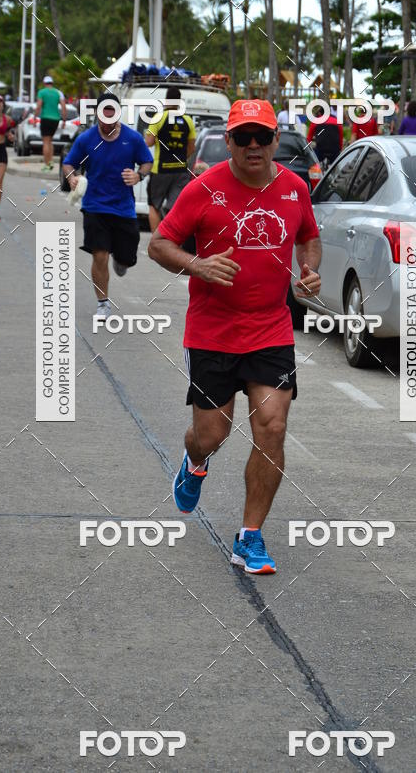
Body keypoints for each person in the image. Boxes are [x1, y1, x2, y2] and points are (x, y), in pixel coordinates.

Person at [148, 99, 322, 575]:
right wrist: (196, 263)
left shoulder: (293, 188)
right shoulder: (203, 188)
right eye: (242, 137)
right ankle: (194, 461)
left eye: (261, 137)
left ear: (274, 141)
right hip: (212, 331)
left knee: (273, 426)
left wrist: (310, 269)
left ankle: (250, 536)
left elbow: (309, 236)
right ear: (228, 140)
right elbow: (158, 244)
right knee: (212, 433)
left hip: (270, 328)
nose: (252, 146)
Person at [63, 92, 153, 322]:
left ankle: (121, 260)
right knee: (99, 255)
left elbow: (147, 161)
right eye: (104, 116)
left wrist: (138, 175)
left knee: (125, 260)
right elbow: (69, 164)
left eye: (113, 116)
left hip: (124, 208)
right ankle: (103, 303)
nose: (108, 121)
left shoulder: (132, 139)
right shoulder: (87, 139)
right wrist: (72, 177)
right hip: (94, 206)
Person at [144, 86, 196, 232]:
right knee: (175, 208)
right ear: (180, 101)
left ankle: (157, 241)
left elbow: (148, 142)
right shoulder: (188, 120)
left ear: (166, 100)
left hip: (160, 170)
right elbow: (192, 148)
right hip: (180, 171)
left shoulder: (158, 118)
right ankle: (172, 241)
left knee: (154, 206)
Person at [35, 75, 66, 172]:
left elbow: (39, 106)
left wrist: (35, 117)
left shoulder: (42, 92)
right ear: (52, 83)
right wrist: (64, 120)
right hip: (56, 119)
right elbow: (64, 107)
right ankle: (51, 161)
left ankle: (47, 165)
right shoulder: (58, 92)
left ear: (44, 83)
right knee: (50, 141)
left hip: (46, 118)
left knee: (45, 142)